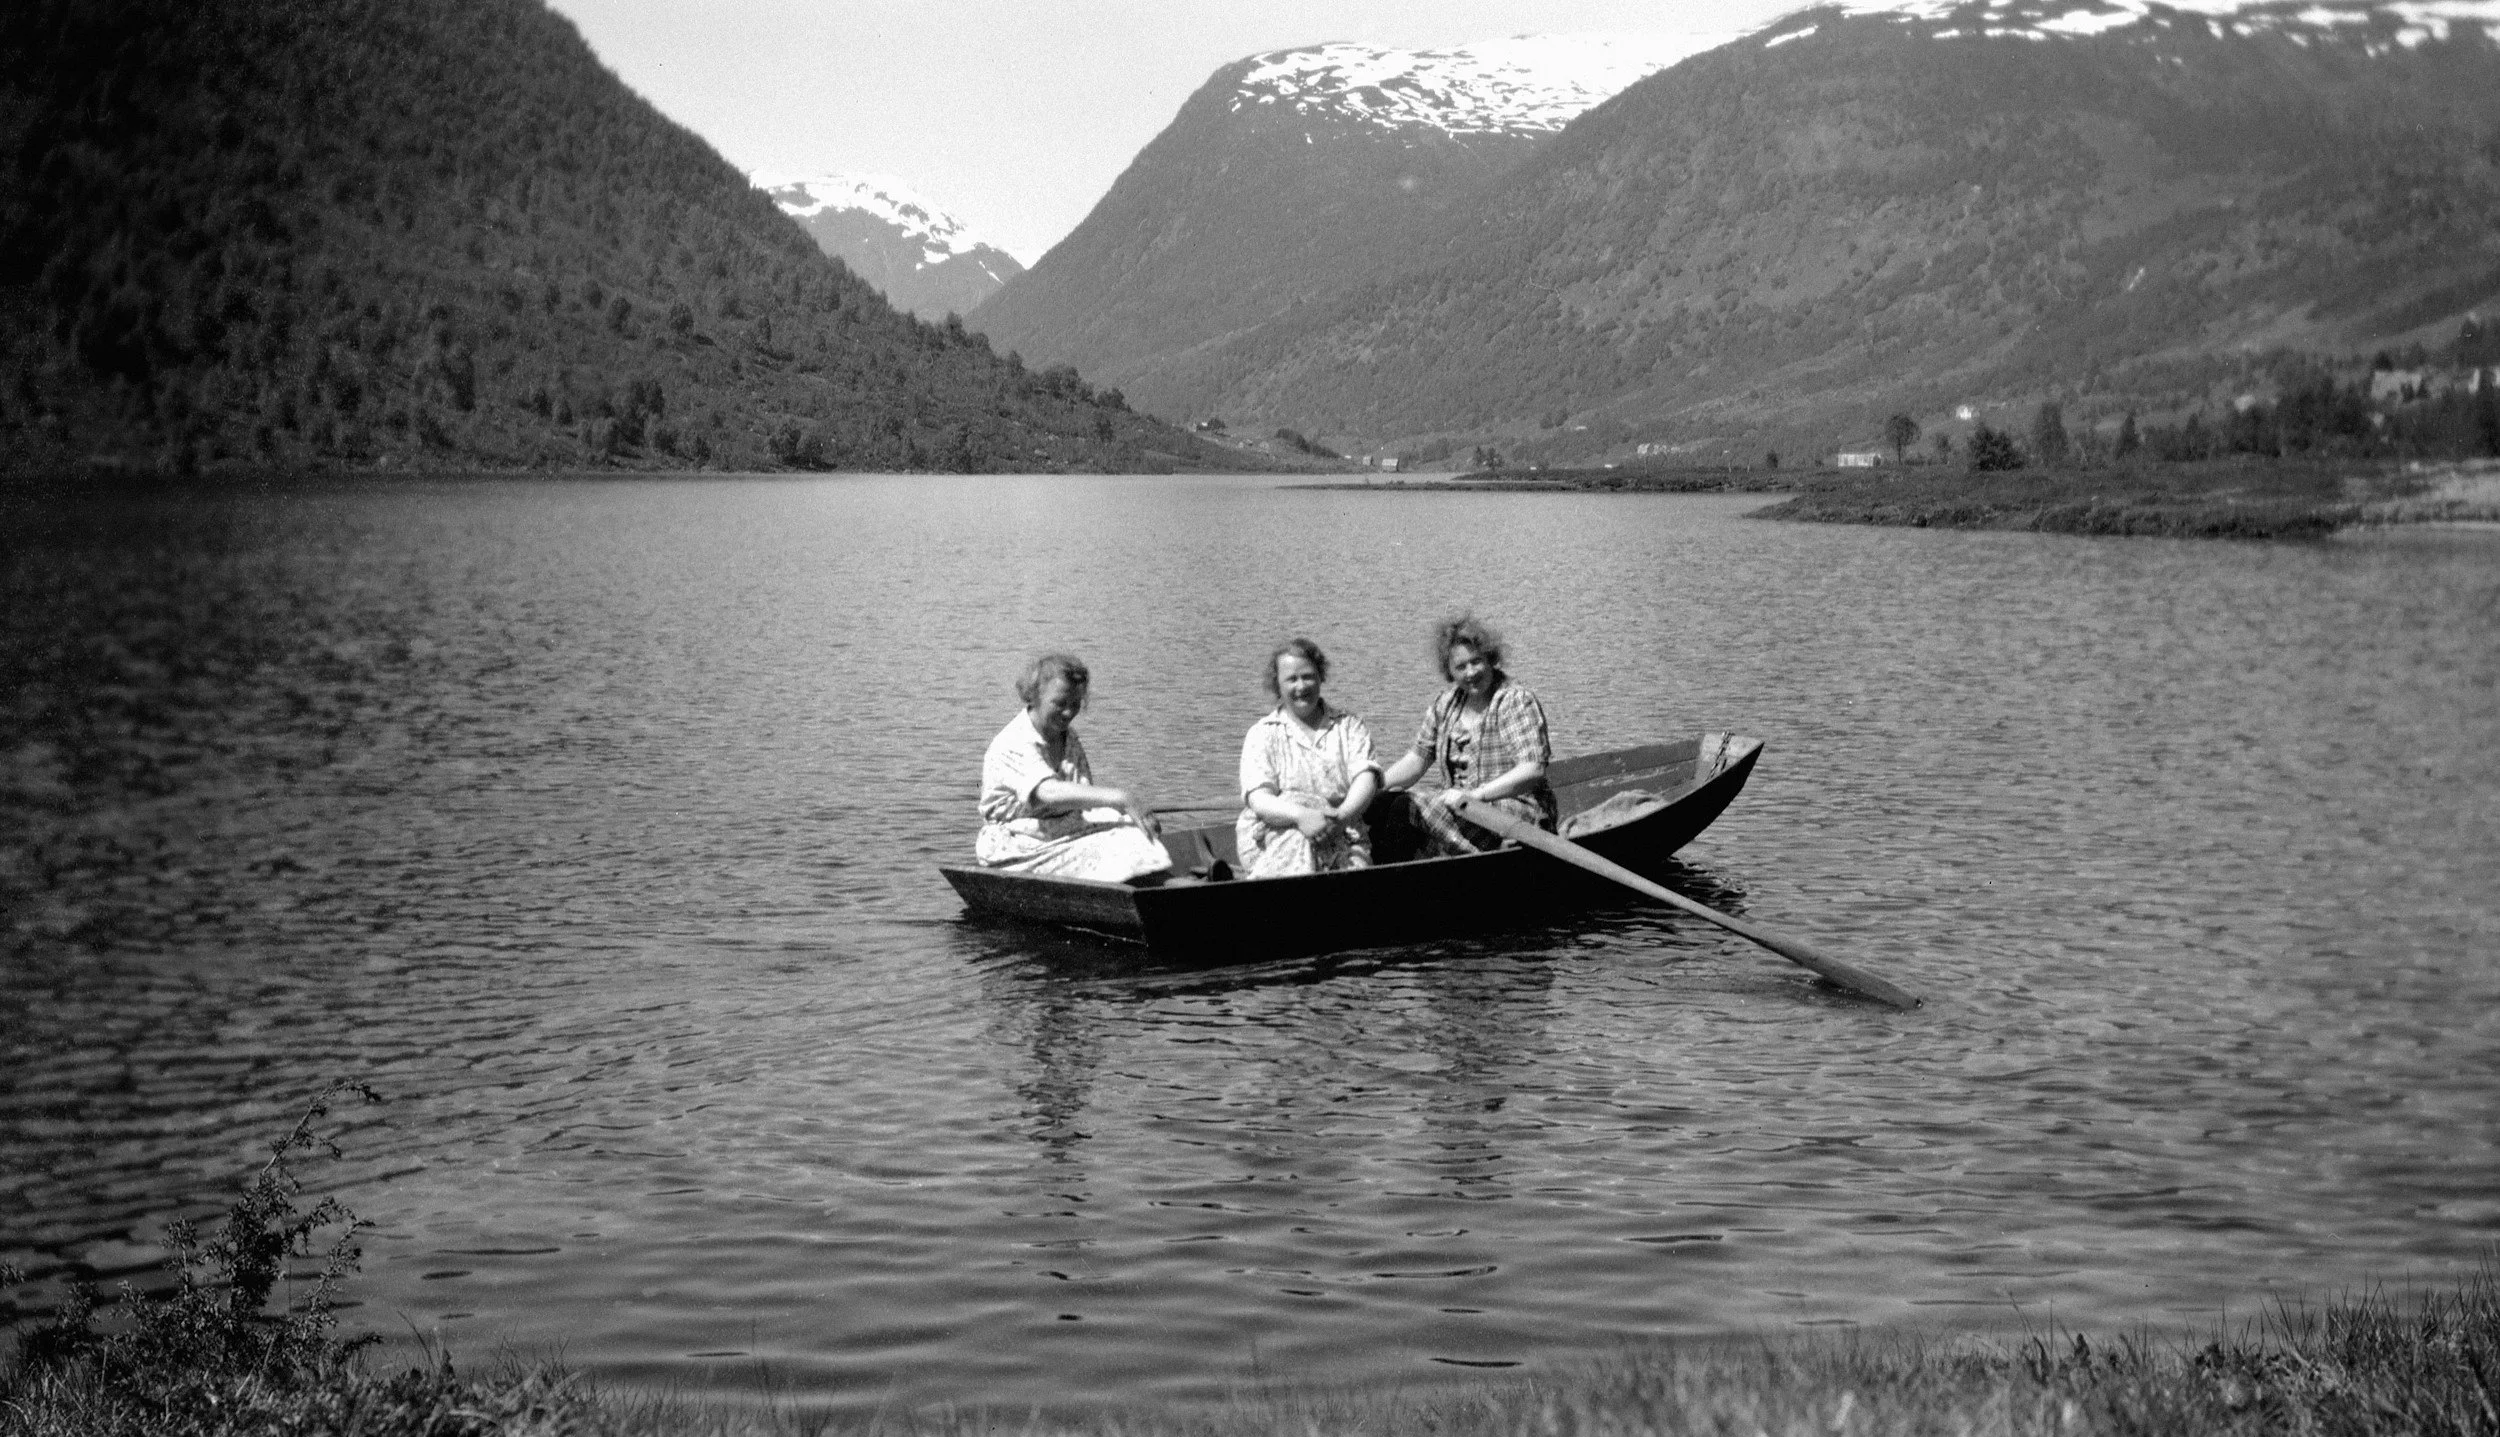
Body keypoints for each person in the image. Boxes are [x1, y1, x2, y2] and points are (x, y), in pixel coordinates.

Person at [976, 653, 1175, 883]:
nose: (1069, 713)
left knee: (1133, 828)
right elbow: (1048, 792)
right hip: (1017, 845)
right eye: (1060, 704)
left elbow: (1083, 797)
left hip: (1057, 830)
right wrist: (1122, 798)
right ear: (1034, 697)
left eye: (1075, 704)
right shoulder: (1013, 741)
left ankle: (1160, 882)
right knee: (1121, 844)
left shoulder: (1068, 738)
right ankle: (1167, 885)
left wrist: (1128, 810)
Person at [1377, 614, 1556, 857]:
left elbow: (1532, 770)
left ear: (1490, 660)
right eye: (1461, 667)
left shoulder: (1514, 700)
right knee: (1382, 803)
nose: (1471, 672)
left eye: (1476, 662)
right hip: (1461, 809)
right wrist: (1372, 789)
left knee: (1406, 807)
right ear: (1450, 671)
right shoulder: (1446, 704)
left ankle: (1395, 878)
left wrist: (1476, 795)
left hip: (1516, 811)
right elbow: (1417, 760)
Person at [1236, 638, 1381, 879]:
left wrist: (1340, 817)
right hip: (1274, 833)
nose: (1301, 686)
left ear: (1321, 677)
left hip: (1341, 829)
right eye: (1291, 679)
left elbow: (1366, 779)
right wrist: (1302, 816)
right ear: (1278, 686)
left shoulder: (1349, 726)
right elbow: (1259, 799)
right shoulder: (1262, 734)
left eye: (1308, 676)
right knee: (1297, 843)